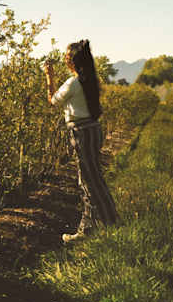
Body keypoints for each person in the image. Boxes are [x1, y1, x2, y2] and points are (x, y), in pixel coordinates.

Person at [44, 39, 119, 243]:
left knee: (87, 180)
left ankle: (92, 228)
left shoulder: (73, 83)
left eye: (67, 56)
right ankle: (105, 222)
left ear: (73, 61)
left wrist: (49, 78)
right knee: (94, 177)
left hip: (81, 132)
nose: (64, 59)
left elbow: (53, 101)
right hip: (94, 129)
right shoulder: (91, 80)